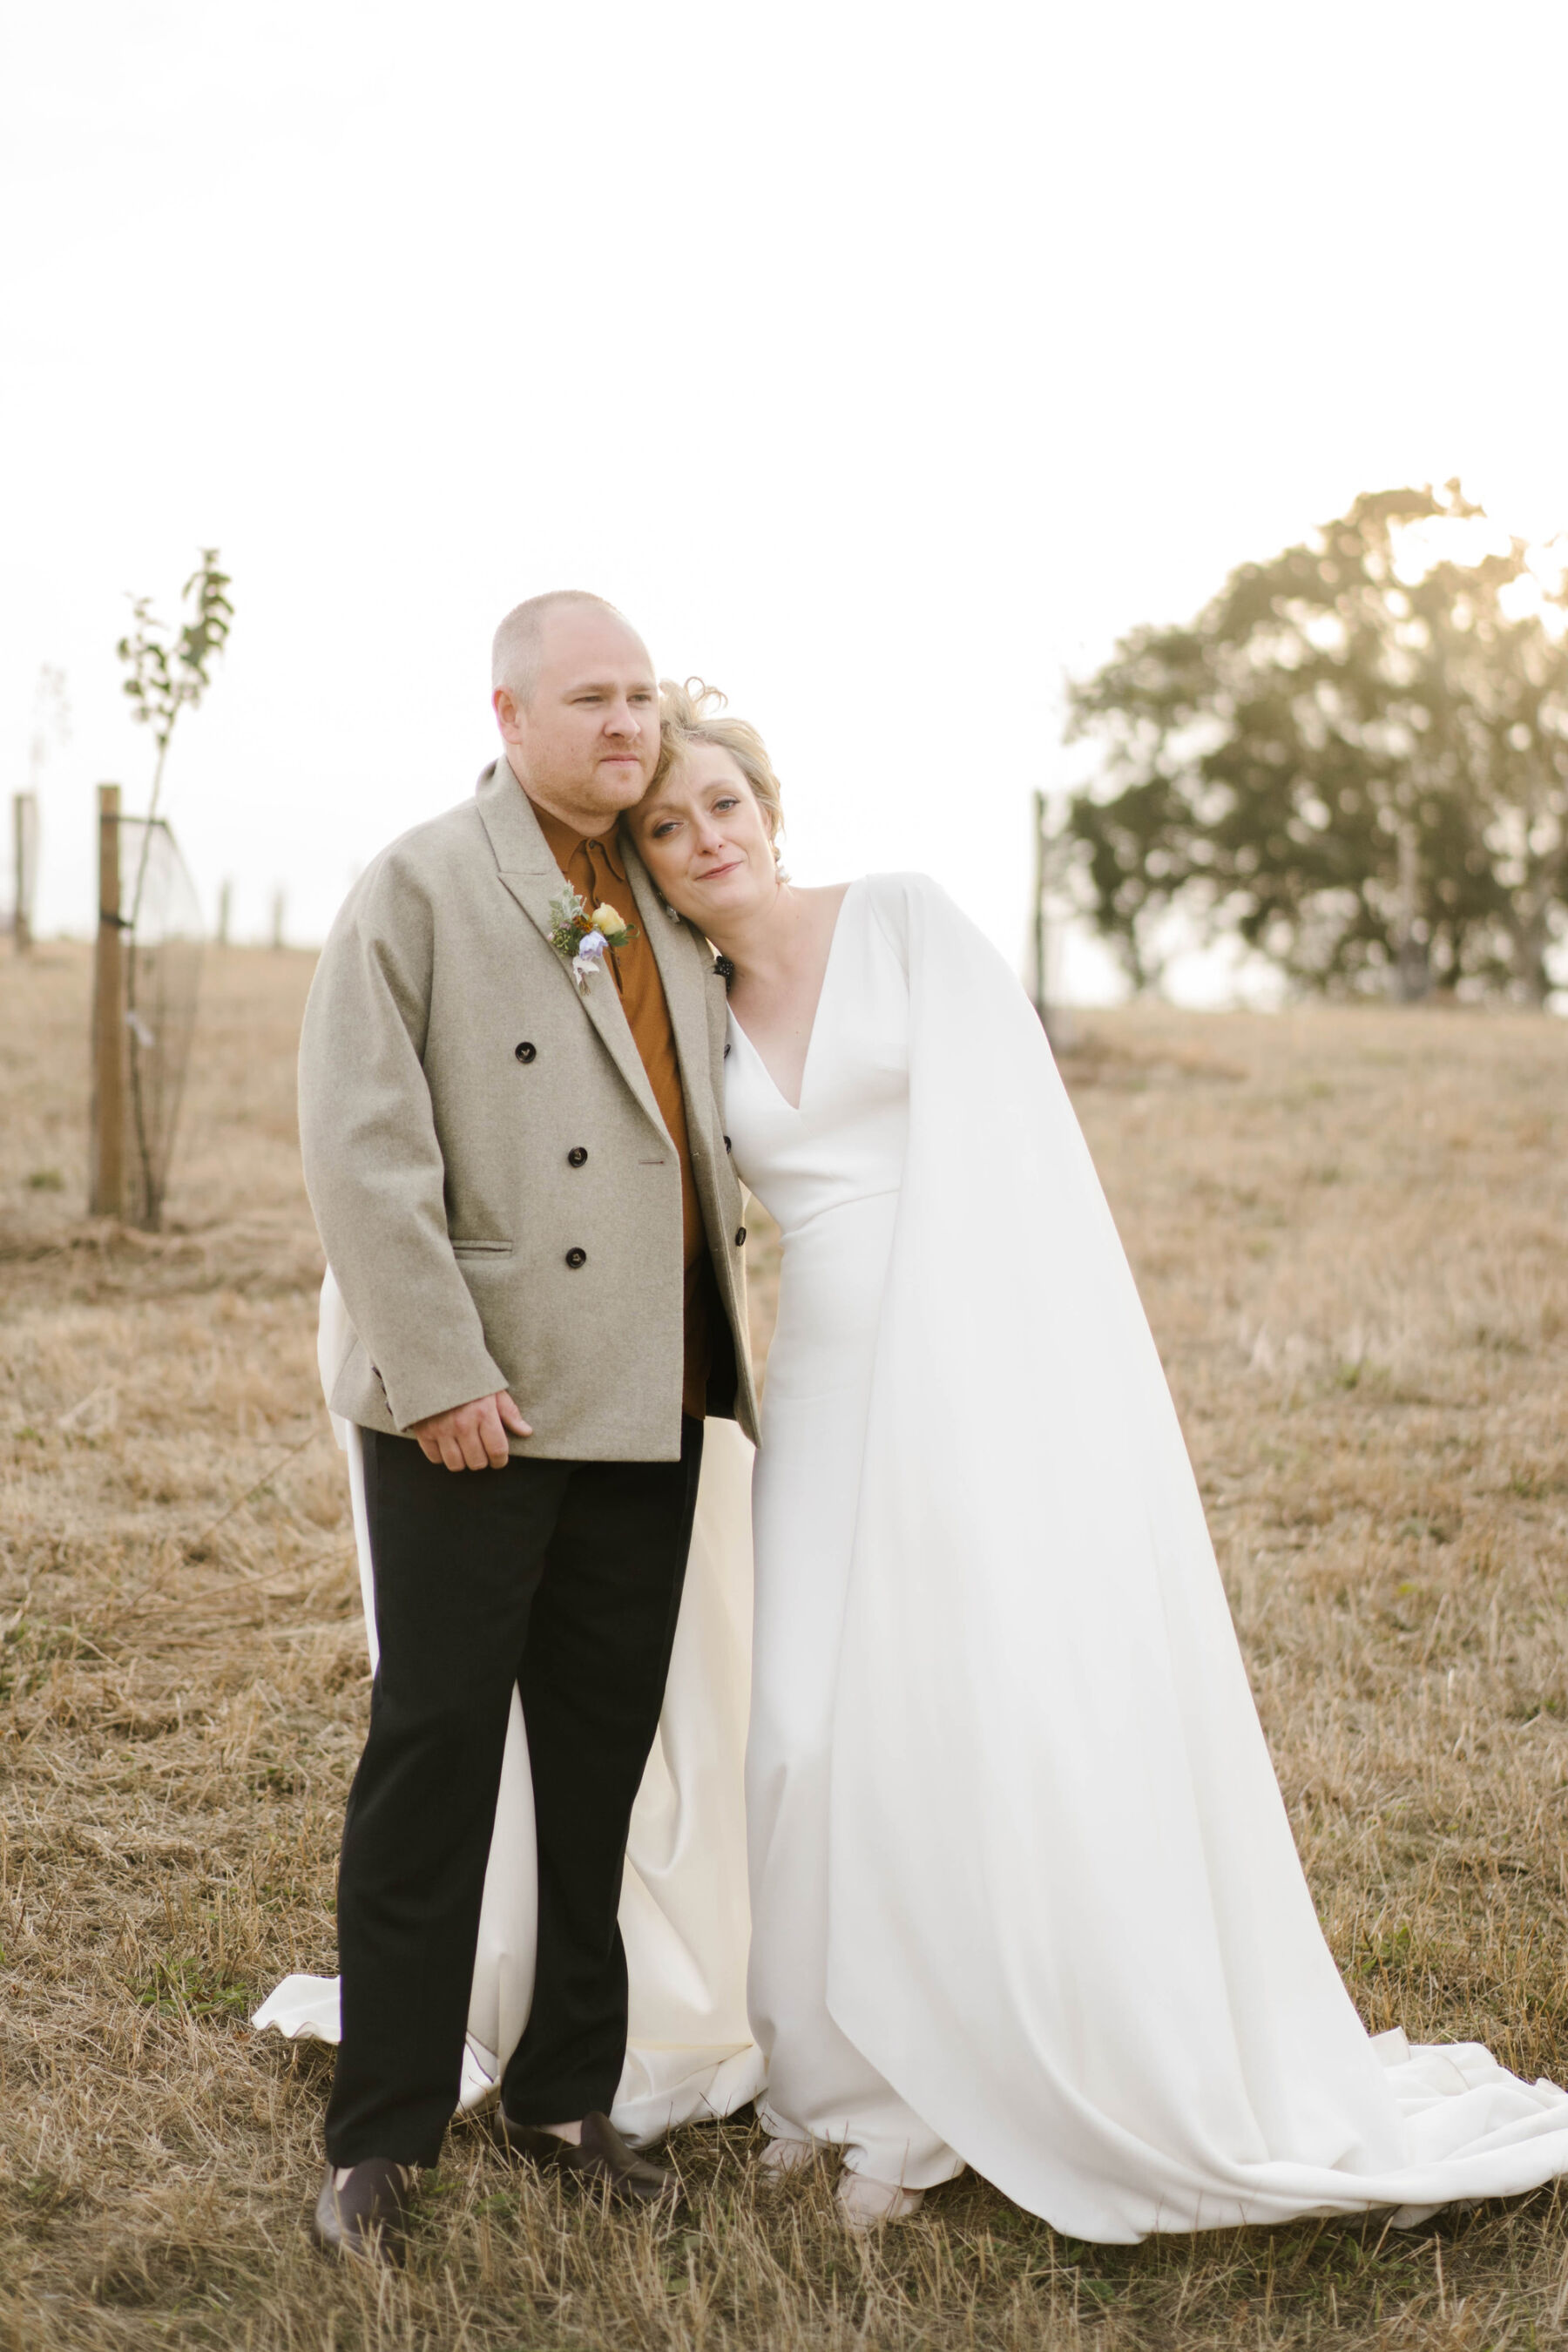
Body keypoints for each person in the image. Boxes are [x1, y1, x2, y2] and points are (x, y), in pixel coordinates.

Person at [623, 679, 1568, 2240]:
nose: (704, 835)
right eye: (668, 823)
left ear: (771, 812)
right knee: (796, 1725)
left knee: (964, 1715)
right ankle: (834, 2077)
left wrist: (981, 1382)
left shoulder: (909, 924)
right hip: (826, 1389)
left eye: (724, 803)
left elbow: (1025, 1163)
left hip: (974, 1369)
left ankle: (948, 2102)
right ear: (649, 861)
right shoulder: (690, 1002)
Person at [292, 597, 759, 2264]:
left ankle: (570, 2096)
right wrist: (438, 1375)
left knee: (595, 1771)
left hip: (646, 1402)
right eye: (591, 697)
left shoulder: (668, 889)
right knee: (431, 1760)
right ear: (509, 710)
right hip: (471, 1412)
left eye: (643, 696)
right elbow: (360, 1149)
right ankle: (382, 2133)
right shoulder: (418, 885)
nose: (627, 723)